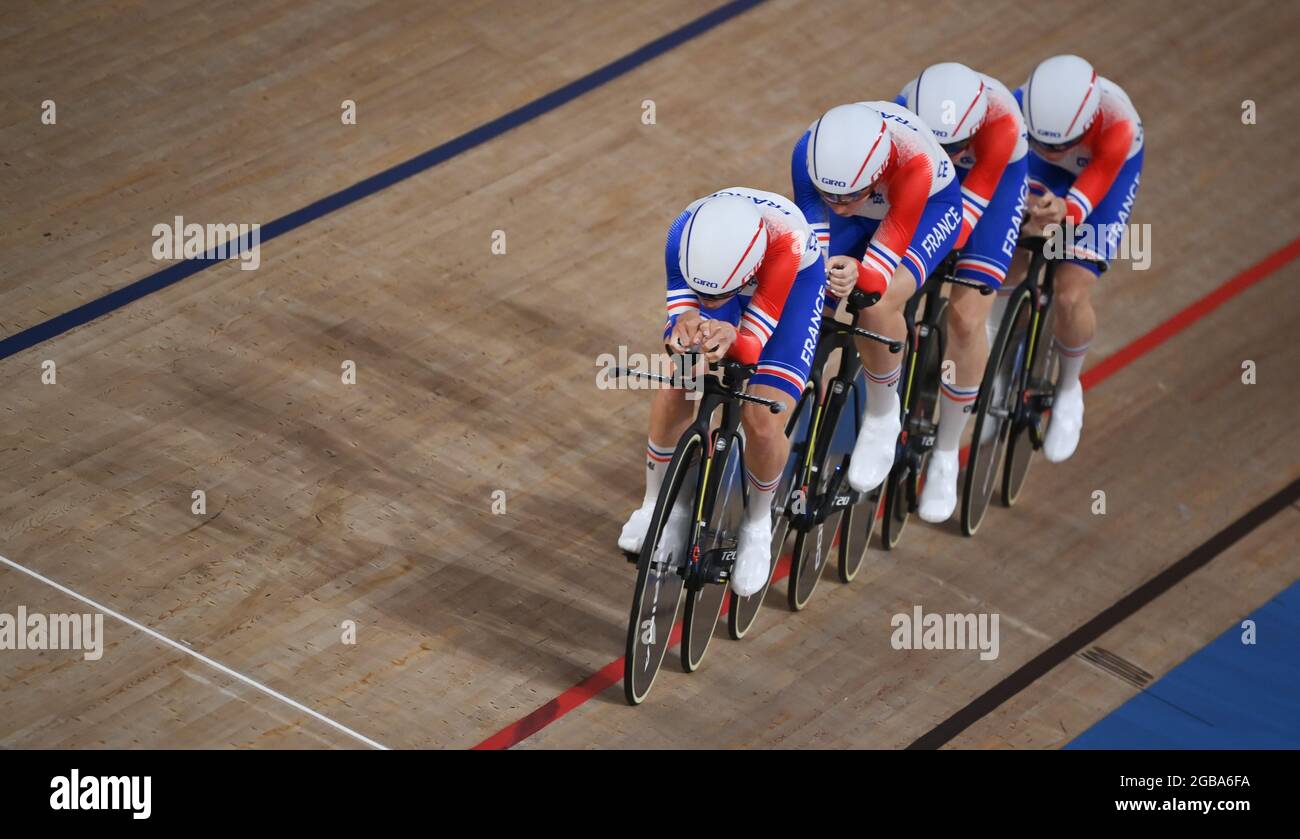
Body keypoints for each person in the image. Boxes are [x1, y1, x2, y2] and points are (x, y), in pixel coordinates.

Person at [618, 188, 826, 597]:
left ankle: (757, 524)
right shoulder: (682, 233)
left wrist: (735, 334)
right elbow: (680, 315)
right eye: (706, 292)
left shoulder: (786, 241)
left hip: (790, 288)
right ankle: (657, 504)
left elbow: (751, 345)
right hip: (727, 275)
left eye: (717, 294)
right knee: (682, 374)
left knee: (763, 417)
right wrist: (684, 328)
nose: (711, 300)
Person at [791, 100, 963, 494]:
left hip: (926, 210)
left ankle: (884, 414)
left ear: (876, 173)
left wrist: (858, 273)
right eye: (828, 196)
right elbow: (814, 245)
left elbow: (874, 275)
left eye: (847, 196)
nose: (837, 205)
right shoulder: (807, 153)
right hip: (865, 211)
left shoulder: (913, 163)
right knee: (808, 295)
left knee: (876, 300)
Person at [896, 62, 1029, 522]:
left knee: (966, 317)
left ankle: (947, 453)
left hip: (989, 193)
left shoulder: (1001, 124)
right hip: (921, 186)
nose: (945, 156)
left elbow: (962, 222)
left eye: (952, 148)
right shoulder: (899, 112)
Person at [1013, 54, 1144, 462]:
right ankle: (1002, 354)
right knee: (1008, 259)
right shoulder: (1018, 108)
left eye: (1059, 145)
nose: (1051, 151)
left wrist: (1063, 214)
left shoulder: (1119, 124)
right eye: (1043, 141)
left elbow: (1086, 198)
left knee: (1069, 294)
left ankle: (1069, 388)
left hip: (1102, 176)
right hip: (1039, 171)